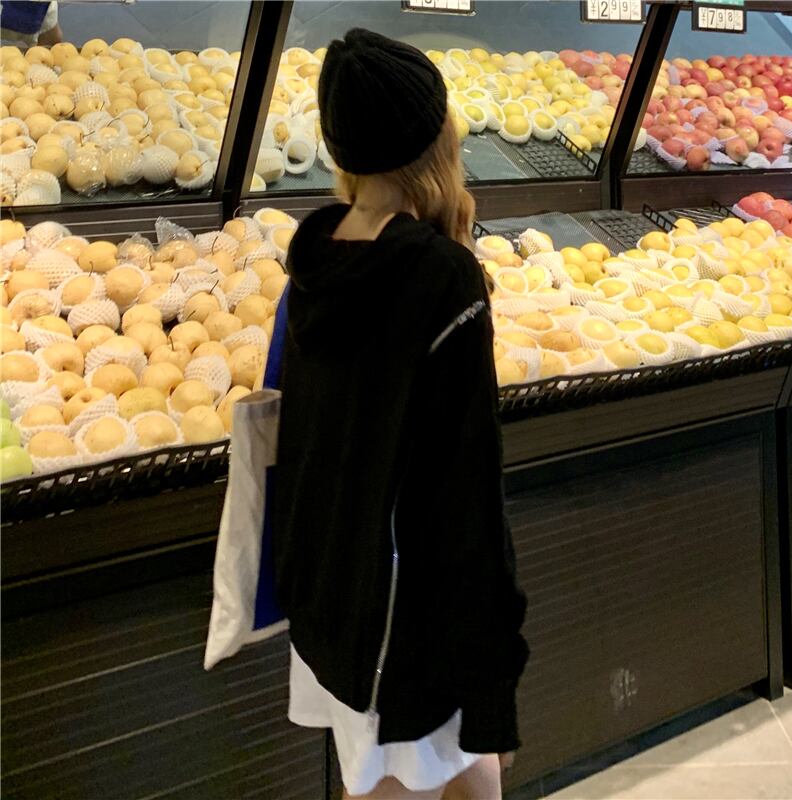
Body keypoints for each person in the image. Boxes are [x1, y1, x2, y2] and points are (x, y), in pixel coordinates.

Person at [273, 28, 529, 800]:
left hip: (336, 591)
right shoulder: (443, 278)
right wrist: (492, 667)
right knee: (440, 772)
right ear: (436, 141)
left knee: (400, 775)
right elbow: (467, 487)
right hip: (413, 612)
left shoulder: (314, 259)